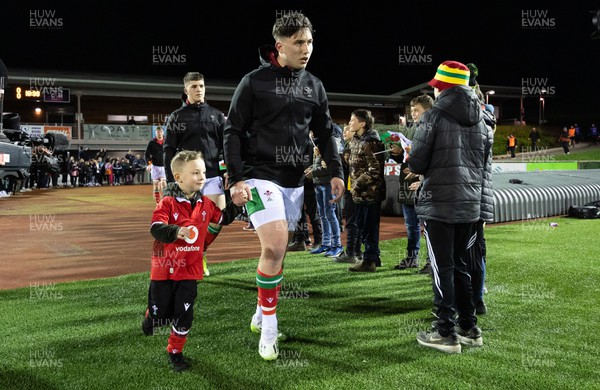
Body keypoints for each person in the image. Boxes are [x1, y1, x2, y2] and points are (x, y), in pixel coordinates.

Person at [223, 11, 344, 361]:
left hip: (296, 181)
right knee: (275, 245)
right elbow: (232, 131)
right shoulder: (254, 82)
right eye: (298, 43)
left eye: (309, 42)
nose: (306, 49)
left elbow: (324, 132)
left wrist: (336, 171)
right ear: (280, 46)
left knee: (279, 253)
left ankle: (261, 313)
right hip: (260, 175)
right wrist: (236, 178)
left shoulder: (314, 86)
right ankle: (270, 331)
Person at [409, 60, 491, 353]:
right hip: (470, 206)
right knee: (461, 266)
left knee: (441, 267)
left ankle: (445, 332)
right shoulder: (482, 121)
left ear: (441, 86)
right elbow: (485, 171)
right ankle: (470, 328)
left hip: (439, 204)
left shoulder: (433, 116)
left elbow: (416, 162)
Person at [141, 150, 241, 372]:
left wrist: (237, 203)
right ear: (178, 178)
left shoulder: (205, 204)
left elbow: (223, 218)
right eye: (195, 173)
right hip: (164, 270)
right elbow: (155, 229)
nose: (202, 177)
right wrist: (177, 231)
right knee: (161, 315)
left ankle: (175, 352)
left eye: (203, 172)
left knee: (184, 314)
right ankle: (151, 315)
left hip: (189, 271)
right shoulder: (167, 203)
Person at [163, 72, 227, 277]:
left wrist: (227, 172)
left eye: (201, 85)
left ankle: (201, 250)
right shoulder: (177, 117)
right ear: (186, 90)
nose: (199, 89)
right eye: (194, 86)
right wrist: (173, 179)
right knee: (191, 223)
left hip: (213, 176)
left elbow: (226, 147)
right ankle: (192, 258)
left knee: (218, 219)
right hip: (188, 180)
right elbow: (168, 150)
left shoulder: (217, 116)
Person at [390, 95, 433, 271]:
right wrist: (397, 153)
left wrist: (412, 152)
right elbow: (406, 158)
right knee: (411, 225)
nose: (413, 114)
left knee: (428, 225)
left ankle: (432, 261)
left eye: (417, 110)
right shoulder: (412, 129)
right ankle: (411, 258)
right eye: (412, 110)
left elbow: (432, 159)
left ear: (427, 110)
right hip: (407, 182)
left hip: (425, 184)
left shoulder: (432, 129)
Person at [346, 109, 386, 273]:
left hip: (370, 194)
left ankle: (369, 261)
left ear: (362, 123)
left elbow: (375, 170)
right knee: (363, 226)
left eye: (352, 120)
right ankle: (372, 257)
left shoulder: (371, 141)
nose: (349, 123)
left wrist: (357, 184)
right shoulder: (356, 140)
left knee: (369, 227)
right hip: (360, 195)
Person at [307, 141, 343, 258]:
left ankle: (337, 245)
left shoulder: (329, 150)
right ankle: (326, 243)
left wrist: (314, 172)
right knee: (323, 214)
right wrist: (311, 168)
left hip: (328, 185)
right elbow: (319, 166)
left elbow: (329, 168)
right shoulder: (317, 150)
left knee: (330, 214)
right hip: (319, 185)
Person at [334, 125, 362, 264]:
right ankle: (356, 251)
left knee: (352, 221)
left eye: (348, 129)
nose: (344, 132)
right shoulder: (349, 145)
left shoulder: (356, 145)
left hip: (354, 188)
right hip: (352, 187)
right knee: (354, 221)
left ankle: (351, 252)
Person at [145, 126, 166, 204]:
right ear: (155, 133)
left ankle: (164, 200)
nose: (159, 133)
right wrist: (149, 164)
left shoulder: (166, 142)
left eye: (160, 131)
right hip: (155, 166)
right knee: (156, 185)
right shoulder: (151, 143)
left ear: (163, 132)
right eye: (157, 132)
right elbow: (147, 155)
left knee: (164, 184)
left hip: (164, 167)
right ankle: (158, 202)